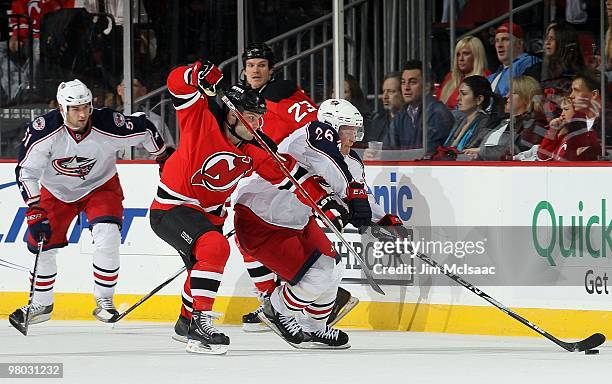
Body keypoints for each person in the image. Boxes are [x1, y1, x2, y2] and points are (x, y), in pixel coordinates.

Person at [149, 59, 311, 355]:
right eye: (253, 116)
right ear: (233, 116)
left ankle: (185, 323)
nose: (259, 124)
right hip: (172, 207)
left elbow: (288, 176)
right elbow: (176, 82)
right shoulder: (201, 122)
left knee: (199, 268)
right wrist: (196, 72)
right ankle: (199, 324)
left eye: (261, 118)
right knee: (214, 249)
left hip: (209, 217)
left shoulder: (253, 150)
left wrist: (328, 200)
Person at [9, 79, 170, 329]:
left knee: (107, 235)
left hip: (100, 186)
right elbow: (25, 171)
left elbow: (145, 128)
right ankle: (41, 304)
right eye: (75, 109)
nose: (83, 113)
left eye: (86, 106)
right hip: (56, 191)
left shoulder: (107, 123)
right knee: (43, 246)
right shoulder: (44, 131)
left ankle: (105, 300)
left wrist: (162, 158)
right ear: (62, 108)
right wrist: (34, 208)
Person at [232, 99, 373, 349]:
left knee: (333, 268)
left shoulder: (350, 160)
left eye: (357, 132)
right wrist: (350, 197)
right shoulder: (311, 135)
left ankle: (315, 328)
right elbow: (329, 166)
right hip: (262, 219)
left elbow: (357, 191)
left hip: (295, 220)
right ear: (332, 126)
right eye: (349, 130)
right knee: (318, 275)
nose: (353, 138)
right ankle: (276, 309)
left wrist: (384, 219)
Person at [237, 42, 358, 332]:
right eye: (251, 65)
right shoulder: (248, 100)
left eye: (262, 65)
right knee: (260, 245)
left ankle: (289, 303)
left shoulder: (281, 92)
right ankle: (281, 301)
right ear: (243, 70)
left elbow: (311, 124)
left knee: (301, 245)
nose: (256, 70)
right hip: (278, 176)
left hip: (297, 173)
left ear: (271, 70)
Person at [465, 75, 546, 161]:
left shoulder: (537, 124)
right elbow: (475, 145)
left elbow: (516, 152)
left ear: (527, 97)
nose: (507, 96)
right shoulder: (503, 121)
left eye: (512, 93)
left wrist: (480, 152)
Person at [383, 60, 455, 155]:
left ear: (427, 86)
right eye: (403, 82)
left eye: (412, 82)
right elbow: (388, 150)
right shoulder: (401, 115)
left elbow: (428, 154)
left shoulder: (438, 113)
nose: (406, 87)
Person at [524, 21, 585, 122]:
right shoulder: (536, 69)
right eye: (546, 38)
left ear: (563, 42)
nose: (547, 42)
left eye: (552, 39)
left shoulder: (577, 74)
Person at [433, 75, 497, 160]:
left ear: (479, 99)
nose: (457, 98)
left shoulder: (486, 124)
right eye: (459, 93)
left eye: (464, 94)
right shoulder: (458, 120)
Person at [114, 76, 176, 159]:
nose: (128, 89)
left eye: (134, 85)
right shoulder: (110, 119)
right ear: (119, 90)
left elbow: (168, 151)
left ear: (143, 91)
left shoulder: (155, 121)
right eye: (125, 85)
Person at [534, 97, 601, 161]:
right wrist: (553, 130)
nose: (562, 114)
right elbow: (542, 156)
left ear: (578, 111)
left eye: (566, 109)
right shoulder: (563, 134)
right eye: (562, 110)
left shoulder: (585, 137)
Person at [487, 22, 541, 96]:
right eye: (497, 41)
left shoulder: (529, 62)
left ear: (519, 43)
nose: (499, 45)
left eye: (505, 39)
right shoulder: (491, 77)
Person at [437, 35, 490, 110]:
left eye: (466, 54)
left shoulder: (486, 78)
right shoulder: (450, 78)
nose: (461, 58)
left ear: (476, 56)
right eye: (458, 54)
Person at [363, 72, 403, 143]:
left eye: (391, 91)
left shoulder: (411, 121)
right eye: (383, 91)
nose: (385, 96)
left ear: (402, 92)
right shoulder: (377, 121)